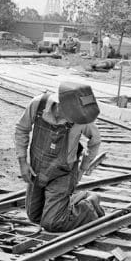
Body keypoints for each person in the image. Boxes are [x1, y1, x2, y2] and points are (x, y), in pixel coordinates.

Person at [14, 81, 104, 232]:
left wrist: (82, 168)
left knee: (52, 223)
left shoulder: (80, 119)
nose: (74, 119)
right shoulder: (38, 104)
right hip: (38, 170)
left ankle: (89, 205)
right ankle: (76, 199)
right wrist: (22, 163)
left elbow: (95, 140)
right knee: (35, 216)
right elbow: (22, 129)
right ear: (60, 106)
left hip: (63, 173)